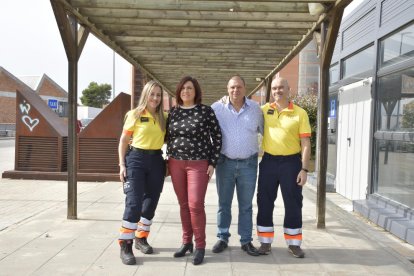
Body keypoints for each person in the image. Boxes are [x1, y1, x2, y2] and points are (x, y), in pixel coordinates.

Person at [167, 76, 222, 265]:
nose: (186, 91)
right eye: (183, 88)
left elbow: (217, 136)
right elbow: (165, 135)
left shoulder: (205, 111)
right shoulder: (173, 112)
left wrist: (212, 162)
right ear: (179, 92)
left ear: (196, 91)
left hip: (198, 164)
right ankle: (186, 242)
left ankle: (200, 246)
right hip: (175, 163)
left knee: (196, 204)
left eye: (189, 88)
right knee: (183, 204)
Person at [256, 77, 311, 258]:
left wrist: (304, 169)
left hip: (291, 163)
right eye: (274, 88)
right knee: (264, 201)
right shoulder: (263, 110)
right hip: (269, 162)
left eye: (281, 88)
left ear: (289, 89)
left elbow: (305, 143)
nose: (277, 91)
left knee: (293, 203)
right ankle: (265, 242)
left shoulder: (300, 113)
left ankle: (294, 244)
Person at [211, 75, 263, 256]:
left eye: (239, 87)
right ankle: (222, 237)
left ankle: (246, 240)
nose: (236, 90)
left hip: (249, 164)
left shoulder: (256, 109)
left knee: (246, 205)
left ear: (245, 88)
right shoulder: (217, 108)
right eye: (232, 87)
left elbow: (267, 132)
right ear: (227, 89)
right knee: (223, 203)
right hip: (225, 163)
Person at [117, 80, 167, 265]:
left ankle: (141, 237)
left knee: (150, 203)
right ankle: (126, 244)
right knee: (134, 203)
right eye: (152, 94)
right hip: (136, 160)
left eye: (158, 95)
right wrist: (122, 165)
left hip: (156, 160)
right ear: (146, 94)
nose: (155, 98)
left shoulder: (164, 117)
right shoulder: (135, 114)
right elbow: (123, 141)